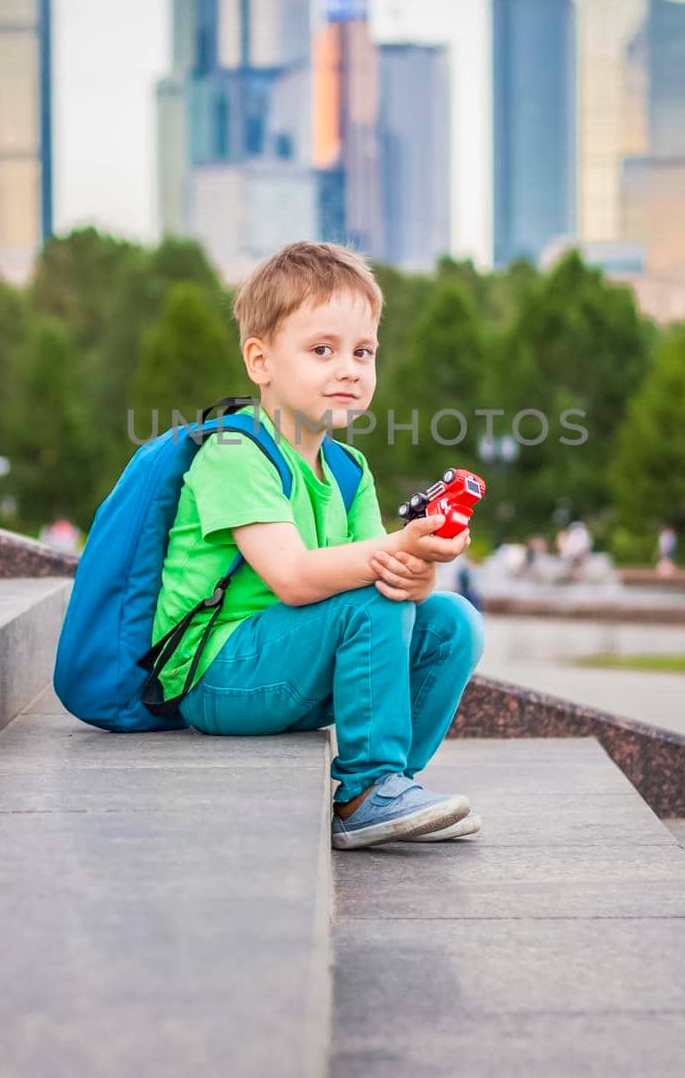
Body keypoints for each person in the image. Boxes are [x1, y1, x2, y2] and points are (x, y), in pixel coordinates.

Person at [149, 241, 484, 850]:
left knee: (453, 621)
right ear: (260, 360)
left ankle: (393, 783)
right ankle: (364, 789)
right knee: (369, 598)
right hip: (217, 677)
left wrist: (421, 568)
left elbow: (383, 584)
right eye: (322, 350)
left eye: (363, 352)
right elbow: (294, 577)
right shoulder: (234, 452)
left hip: (293, 669)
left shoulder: (348, 469)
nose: (349, 369)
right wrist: (391, 559)